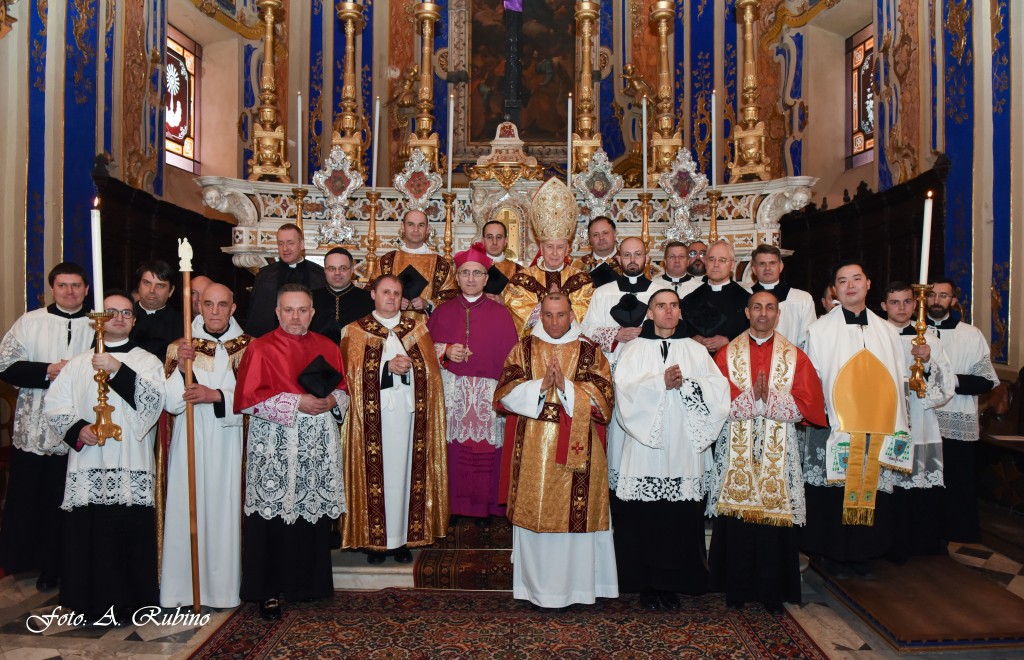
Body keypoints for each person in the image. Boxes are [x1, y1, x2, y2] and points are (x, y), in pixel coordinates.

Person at [44, 292, 165, 622]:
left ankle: (131, 601)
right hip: (89, 463)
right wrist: (78, 429)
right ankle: (88, 601)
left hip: (130, 463)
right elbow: (55, 406)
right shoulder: (80, 362)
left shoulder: (146, 361)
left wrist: (118, 370)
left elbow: (154, 404)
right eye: (111, 311)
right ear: (97, 318)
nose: (119, 317)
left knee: (128, 533)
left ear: (134, 321)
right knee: (90, 533)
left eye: (127, 313)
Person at [494, 293, 618, 609]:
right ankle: (536, 590)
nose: (554, 322)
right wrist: (539, 386)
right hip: (534, 447)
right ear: (540, 316)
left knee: (577, 517)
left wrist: (566, 388)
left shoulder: (590, 351)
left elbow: (605, 399)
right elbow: (504, 394)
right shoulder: (523, 349)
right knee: (535, 513)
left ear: (571, 315)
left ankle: (578, 590)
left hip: (581, 452)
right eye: (548, 315)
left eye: (560, 315)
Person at [234, 284, 348, 620]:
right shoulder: (261, 348)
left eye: (302, 310)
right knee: (271, 515)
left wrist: (333, 401)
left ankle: (307, 585)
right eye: (288, 310)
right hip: (275, 445)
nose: (295, 317)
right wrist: (296, 401)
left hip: (316, 444)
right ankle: (266, 589)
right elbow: (248, 400)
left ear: (312, 313)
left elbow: (343, 390)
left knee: (309, 514)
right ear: (277, 312)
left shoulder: (327, 346)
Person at [708, 290, 827, 611]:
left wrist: (769, 400)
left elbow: (809, 405)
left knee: (775, 520)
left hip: (779, 452)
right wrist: (751, 400)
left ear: (778, 314)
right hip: (737, 450)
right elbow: (715, 403)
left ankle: (772, 593)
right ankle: (737, 590)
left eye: (769, 308)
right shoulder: (727, 354)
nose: (763, 313)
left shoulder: (795, 357)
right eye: (757, 307)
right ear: (747, 313)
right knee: (738, 520)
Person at [612, 289, 730, 609]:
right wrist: (659, 384)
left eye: (673, 306)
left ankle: (678, 582)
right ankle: (648, 584)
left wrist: (688, 386)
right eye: (661, 306)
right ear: (649, 313)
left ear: (680, 312)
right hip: (645, 448)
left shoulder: (694, 349)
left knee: (680, 518)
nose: (668, 311)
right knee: (647, 518)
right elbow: (624, 392)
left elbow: (718, 393)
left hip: (683, 448)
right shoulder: (633, 349)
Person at [801, 261, 910, 579]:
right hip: (837, 425)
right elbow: (813, 377)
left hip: (876, 425)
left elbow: (897, 378)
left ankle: (865, 552)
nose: (850, 286)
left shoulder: (887, 332)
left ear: (868, 284)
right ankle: (833, 553)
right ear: (834, 290)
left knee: (872, 486)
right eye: (842, 281)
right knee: (834, 490)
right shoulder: (819, 330)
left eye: (856, 279)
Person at [340, 275, 449, 563]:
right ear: (373, 294)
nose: (390, 297)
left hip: (410, 417)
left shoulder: (416, 328)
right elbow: (349, 378)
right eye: (385, 291)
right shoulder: (355, 331)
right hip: (371, 423)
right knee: (376, 475)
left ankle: (401, 540)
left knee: (404, 474)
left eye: (396, 293)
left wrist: (412, 369)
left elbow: (433, 375)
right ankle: (373, 541)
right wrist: (387, 368)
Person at [0, 263, 95, 591]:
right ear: (52, 289)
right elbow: (6, 365)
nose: (70, 292)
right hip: (36, 425)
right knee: (33, 497)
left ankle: (65, 563)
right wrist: (49, 370)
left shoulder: (98, 324)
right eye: (63, 285)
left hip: (80, 426)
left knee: (68, 499)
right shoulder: (31, 322)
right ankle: (31, 561)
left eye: (76, 285)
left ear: (86, 289)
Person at [160, 283, 252, 609]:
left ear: (233, 308)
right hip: (191, 440)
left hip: (232, 444)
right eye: (208, 304)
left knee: (226, 512)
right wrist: (180, 370)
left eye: (222, 305)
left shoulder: (248, 348)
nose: (214, 311)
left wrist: (216, 396)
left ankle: (225, 590)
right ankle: (181, 590)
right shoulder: (181, 347)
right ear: (198, 307)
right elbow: (170, 402)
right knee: (189, 508)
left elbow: (255, 398)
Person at [428, 245, 519, 522]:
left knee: (486, 453)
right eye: (465, 273)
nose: (470, 278)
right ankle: (452, 505)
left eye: (477, 273)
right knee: (453, 450)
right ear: (456, 277)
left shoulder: (501, 314)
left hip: (486, 394)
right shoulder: (442, 312)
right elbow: (421, 351)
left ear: (486, 278)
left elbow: (512, 358)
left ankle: (487, 506)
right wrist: (445, 351)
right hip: (453, 391)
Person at [880, 281, 954, 557]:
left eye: (907, 302)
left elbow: (947, 385)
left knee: (918, 483)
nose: (902, 308)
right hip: (888, 418)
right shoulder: (877, 336)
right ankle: (889, 545)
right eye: (895, 302)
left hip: (921, 420)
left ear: (916, 304)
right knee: (889, 483)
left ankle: (919, 543)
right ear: (884, 306)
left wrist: (930, 359)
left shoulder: (928, 338)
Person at [926, 278, 999, 542]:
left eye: (943, 296)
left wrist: (950, 380)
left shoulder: (970, 334)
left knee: (956, 479)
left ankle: (959, 531)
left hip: (957, 419)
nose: (936, 301)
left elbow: (986, 380)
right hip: (923, 421)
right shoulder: (914, 331)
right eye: (932, 295)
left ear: (953, 300)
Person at [504, 178, 593, 335]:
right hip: (534, 346)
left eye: (560, 247)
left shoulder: (581, 280)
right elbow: (515, 315)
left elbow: (588, 315)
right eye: (549, 247)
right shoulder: (523, 279)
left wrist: (560, 301)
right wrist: (545, 304)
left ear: (567, 250)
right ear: (541, 249)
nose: (554, 253)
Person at [367, 210, 457, 316]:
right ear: (402, 227)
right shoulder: (386, 261)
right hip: (390, 328)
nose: (416, 230)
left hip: (427, 329)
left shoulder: (441, 264)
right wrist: (392, 302)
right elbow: (370, 294)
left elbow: (452, 302)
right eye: (411, 224)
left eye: (421, 225)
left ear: (427, 229)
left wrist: (428, 304)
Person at [245, 223, 327, 337]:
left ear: (302, 244)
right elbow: (256, 317)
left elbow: (324, 317)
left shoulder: (320, 275)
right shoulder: (264, 276)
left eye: (290, 243)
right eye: (281, 243)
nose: (285, 248)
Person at [680, 240, 750, 353]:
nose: (716, 264)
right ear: (706, 262)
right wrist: (694, 339)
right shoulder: (690, 299)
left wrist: (729, 341)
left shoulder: (746, 299)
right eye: (711, 259)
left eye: (722, 260)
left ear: (732, 265)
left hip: (732, 361)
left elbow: (755, 334)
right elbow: (681, 330)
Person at [749, 244, 817, 348]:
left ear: (781, 266)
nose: (767, 268)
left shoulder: (802, 299)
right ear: (754, 268)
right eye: (762, 264)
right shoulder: (744, 296)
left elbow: (808, 340)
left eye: (772, 263)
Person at [310, 247, 373, 345]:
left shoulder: (369, 300)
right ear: (325, 270)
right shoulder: (310, 298)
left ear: (352, 270)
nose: (337, 273)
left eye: (342, 268)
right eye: (332, 268)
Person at [132, 260, 185, 359]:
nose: (152, 290)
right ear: (139, 286)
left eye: (160, 285)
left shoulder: (182, 323)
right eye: (147, 283)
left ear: (171, 291)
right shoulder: (124, 316)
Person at [572, 216, 623, 288]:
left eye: (605, 233)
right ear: (589, 238)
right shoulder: (578, 266)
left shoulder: (627, 262)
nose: (601, 238)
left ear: (614, 234)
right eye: (596, 235)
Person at [480, 220, 521, 300]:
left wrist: (503, 301)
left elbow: (523, 303)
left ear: (506, 241)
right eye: (489, 237)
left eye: (499, 237)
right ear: (483, 241)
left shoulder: (518, 271)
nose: (494, 242)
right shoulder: (471, 267)